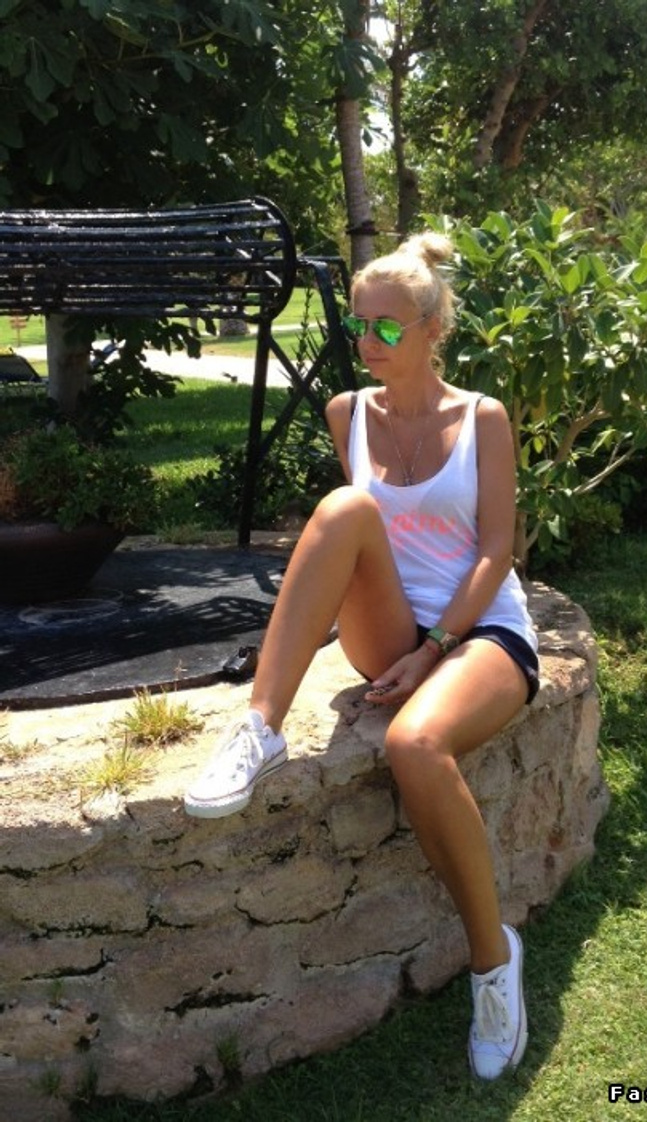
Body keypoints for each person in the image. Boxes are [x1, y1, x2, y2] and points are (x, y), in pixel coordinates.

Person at [183, 231, 539, 1081]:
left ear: (431, 328)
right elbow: (367, 547)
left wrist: (438, 649)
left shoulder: (481, 418)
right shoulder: (347, 413)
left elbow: (497, 551)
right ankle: (259, 729)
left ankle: (494, 963)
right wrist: (407, 647)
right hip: (390, 627)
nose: (369, 342)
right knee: (345, 508)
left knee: (416, 745)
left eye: (387, 327)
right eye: (358, 326)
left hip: (482, 630)